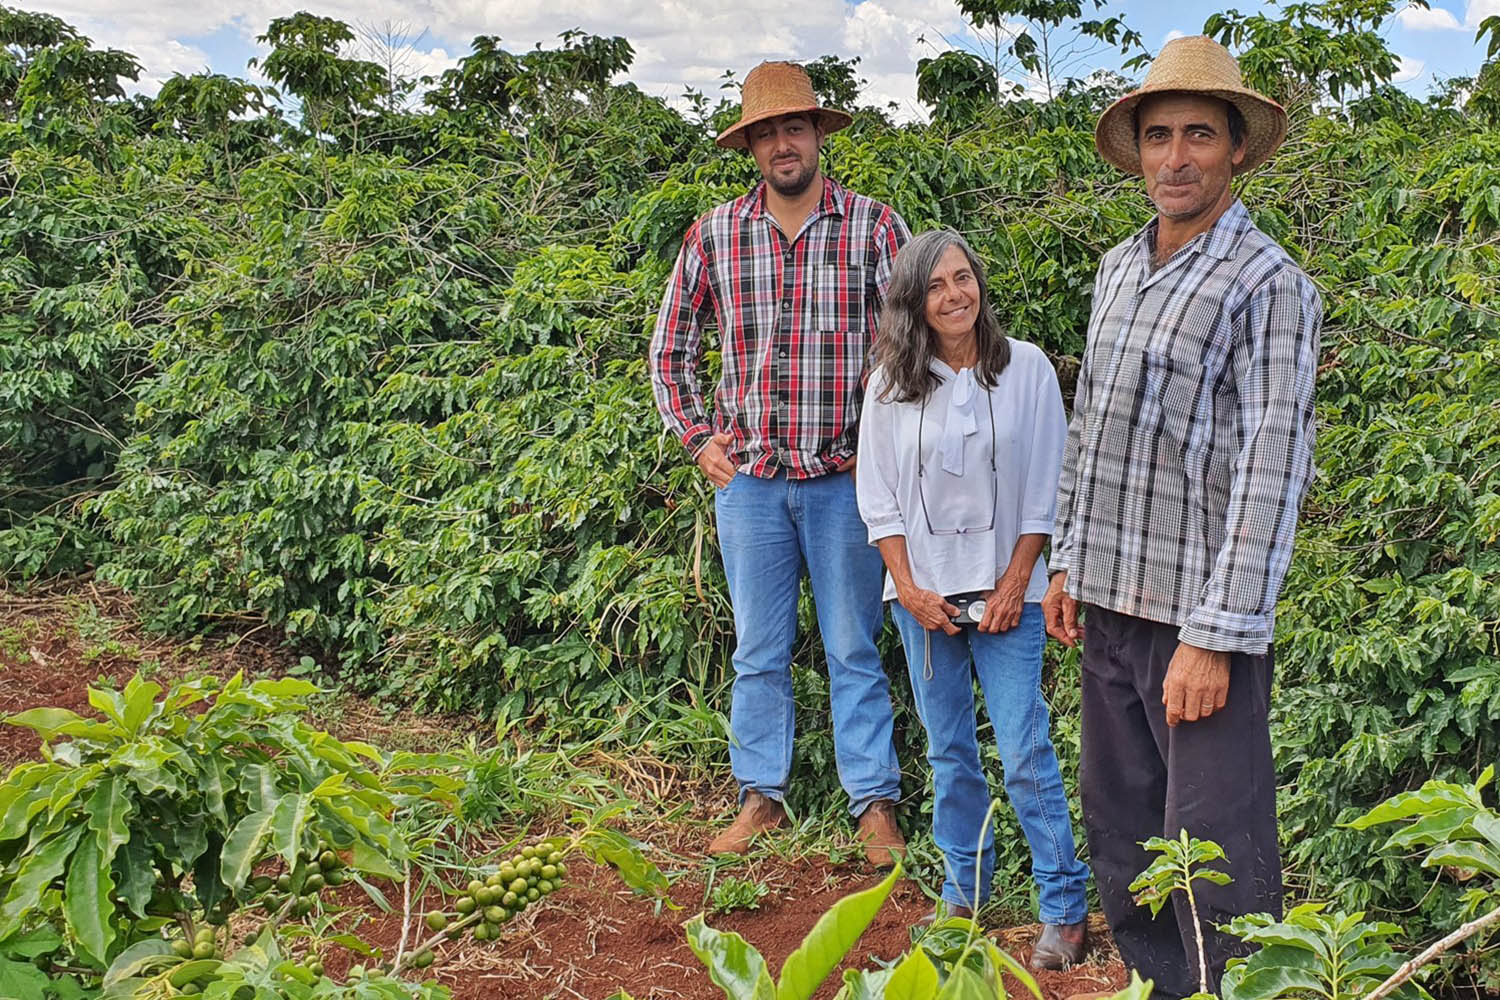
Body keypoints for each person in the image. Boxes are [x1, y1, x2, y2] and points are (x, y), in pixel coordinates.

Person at [1043, 36, 1322, 999]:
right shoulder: (1121, 269)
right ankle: (1161, 986)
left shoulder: (1268, 283)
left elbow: (1270, 470)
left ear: (1236, 149)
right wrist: (1069, 561)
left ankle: (1232, 991)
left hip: (1195, 626)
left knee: (1216, 855)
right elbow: (1095, 434)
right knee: (1124, 834)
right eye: (1158, 135)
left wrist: (1216, 636)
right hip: (1111, 607)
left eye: (1199, 134)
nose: (1176, 156)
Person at [648, 61, 911, 864]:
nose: (782, 144)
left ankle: (873, 805)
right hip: (753, 487)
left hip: (844, 484)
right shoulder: (715, 234)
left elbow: (917, 345)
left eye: (794, 127)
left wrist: (889, 448)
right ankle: (760, 796)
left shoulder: (875, 227)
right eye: (766, 133)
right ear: (752, 148)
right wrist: (699, 439)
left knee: (852, 647)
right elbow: (670, 350)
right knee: (758, 650)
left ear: (818, 134)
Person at [856, 229, 1091, 970]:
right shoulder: (890, 383)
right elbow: (879, 499)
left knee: (1024, 749)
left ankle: (1064, 905)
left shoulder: (1023, 370)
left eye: (964, 279)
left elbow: (1046, 488)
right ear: (913, 302)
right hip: (922, 601)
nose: (954, 295)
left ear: (979, 285)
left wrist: (1018, 579)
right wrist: (913, 589)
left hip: (1008, 598)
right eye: (936, 286)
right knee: (950, 752)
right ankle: (964, 896)